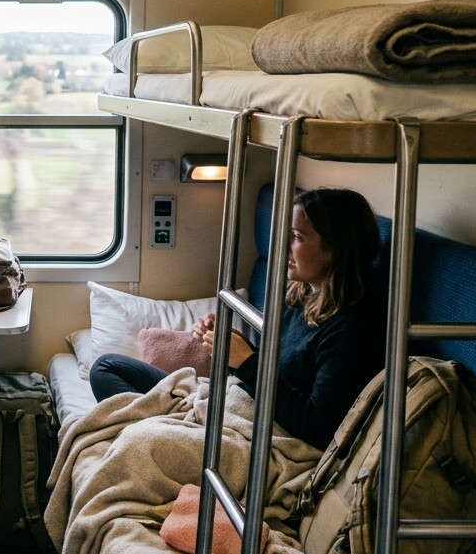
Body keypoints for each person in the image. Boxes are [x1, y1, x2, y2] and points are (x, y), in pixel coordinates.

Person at [88, 187, 385, 449]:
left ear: (336, 247)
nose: (282, 247)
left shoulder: (351, 329)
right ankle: (165, 425)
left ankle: (161, 429)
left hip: (264, 431)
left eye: (296, 237)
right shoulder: (301, 297)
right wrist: (233, 345)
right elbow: (280, 371)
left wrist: (246, 363)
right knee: (106, 367)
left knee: (139, 440)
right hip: (236, 402)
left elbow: (320, 428)